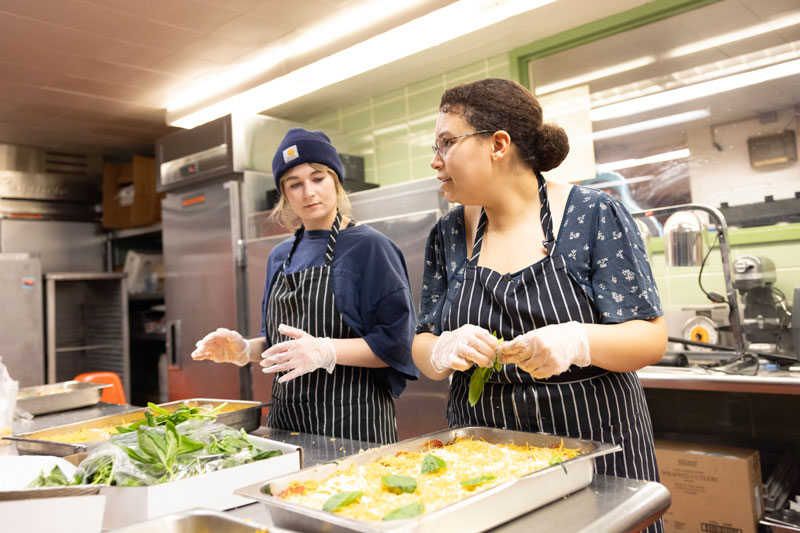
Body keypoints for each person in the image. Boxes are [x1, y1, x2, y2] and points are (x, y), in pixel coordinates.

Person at [413, 78, 666, 532]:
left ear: (498, 144)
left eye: (447, 143)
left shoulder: (592, 215)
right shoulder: (448, 235)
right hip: (484, 456)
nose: (436, 161)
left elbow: (649, 338)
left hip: (596, 447)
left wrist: (576, 341)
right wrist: (440, 351)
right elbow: (422, 343)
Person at [192, 128, 418, 444]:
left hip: (353, 425)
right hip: (287, 422)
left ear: (336, 181)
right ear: (284, 195)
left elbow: (396, 344)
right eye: (294, 184)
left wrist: (326, 350)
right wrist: (244, 349)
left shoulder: (370, 248)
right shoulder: (280, 256)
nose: (308, 192)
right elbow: (275, 343)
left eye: (317, 178)